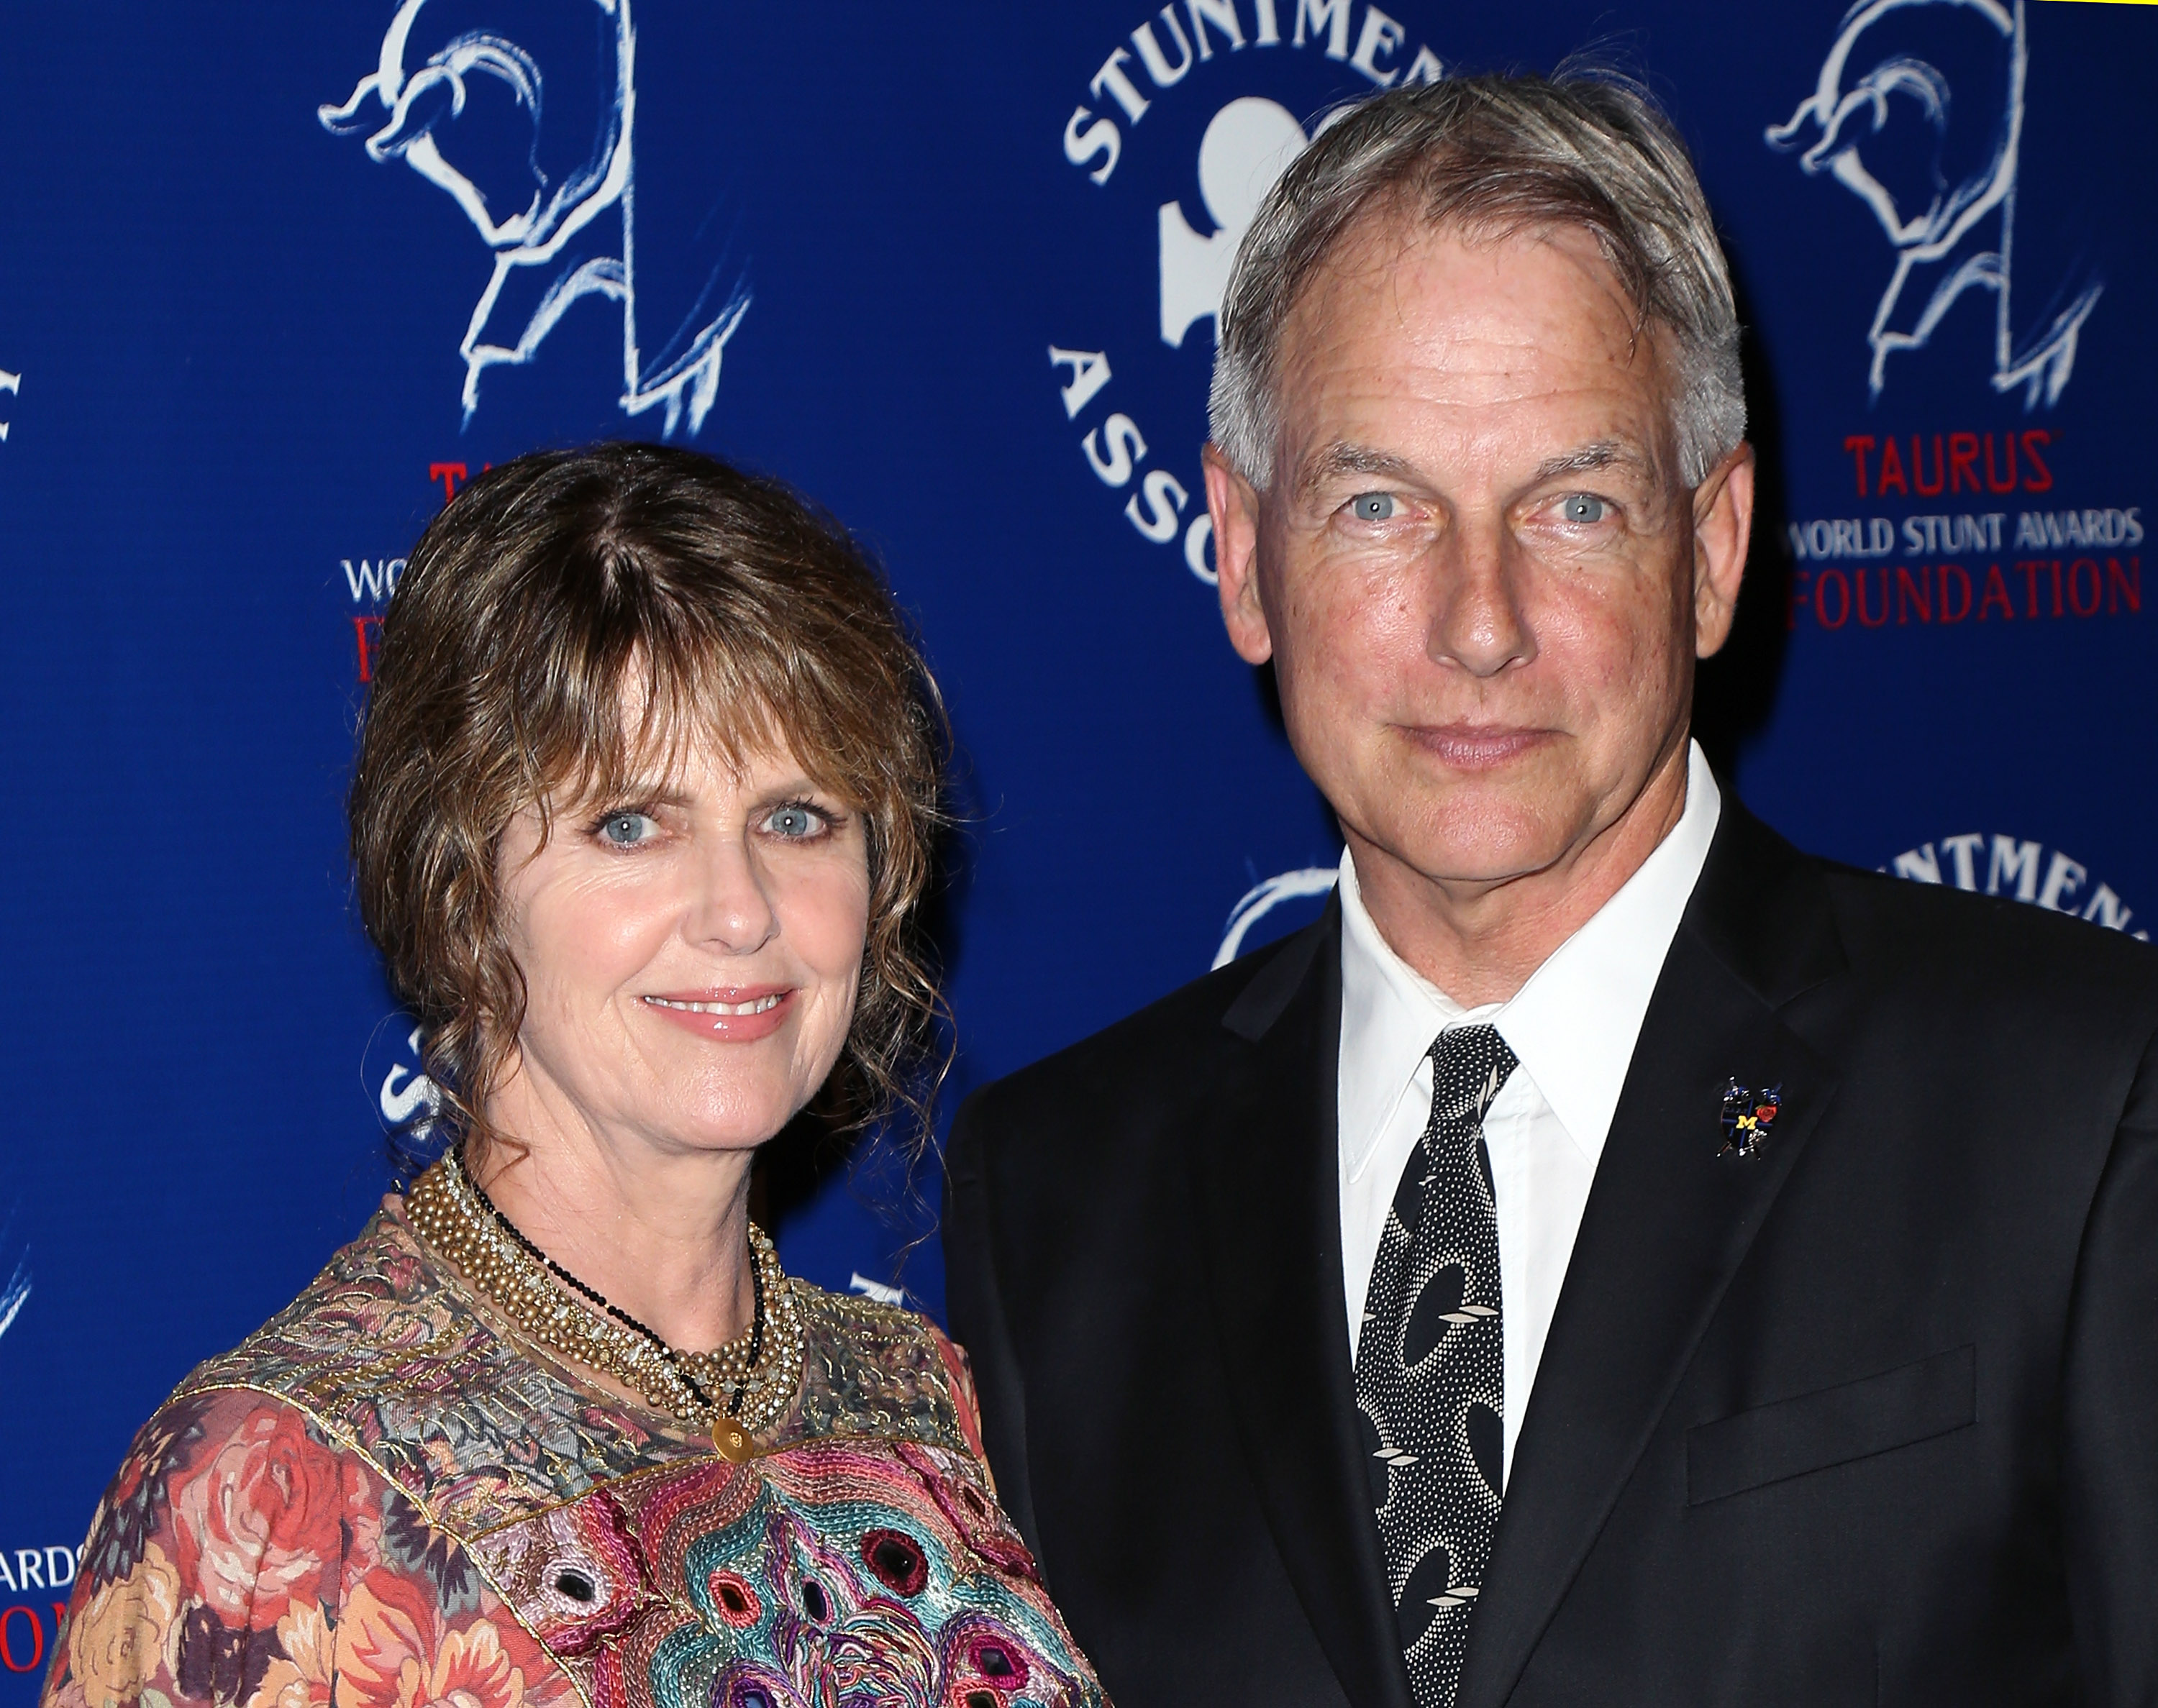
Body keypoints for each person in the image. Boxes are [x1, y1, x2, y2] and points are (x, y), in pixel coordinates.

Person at [943, 70, 2158, 1708]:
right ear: (1241, 553)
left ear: (1715, 547)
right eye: (1380, 506)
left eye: (1573, 506)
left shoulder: (2075, 1105)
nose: (1480, 622)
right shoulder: (1057, 1203)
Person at [45, 445, 1108, 1708]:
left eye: (797, 818)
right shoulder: (275, 1491)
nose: (741, 911)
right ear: (457, 891)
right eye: (630, 824)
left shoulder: (921, 1402)